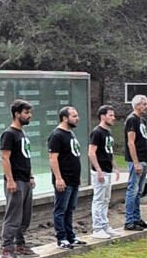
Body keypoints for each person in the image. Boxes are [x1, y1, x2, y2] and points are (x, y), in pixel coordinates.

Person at [0, 100, 38, 258]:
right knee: (13, 215)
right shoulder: (9, 134)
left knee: (25, 216)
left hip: (25, 180)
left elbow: (25, 157)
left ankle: (20, 244)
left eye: (29, 112)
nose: (29, 116)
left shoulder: (22, 133)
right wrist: (10, 180)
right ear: (17, 114)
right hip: (15, 181)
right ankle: (7, 248)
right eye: (26, 113)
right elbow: (5, 157)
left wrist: (30, 176)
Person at [48, 106, 84, 249]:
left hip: (74, 179)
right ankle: (61, 238)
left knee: (70, 209)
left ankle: (71, 236)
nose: (77, 118)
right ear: (64, 118)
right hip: (64, 179)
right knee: (60, 209)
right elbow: (53, 158)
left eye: (77, 115)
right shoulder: (57, 135)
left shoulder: (71, 134)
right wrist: (58, 178)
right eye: (74, 116)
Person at [87, 105, 120, 239]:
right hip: (100, 171)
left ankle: (105, 225)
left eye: (113, 115)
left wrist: (115, 167)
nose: (113, 118)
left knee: (106, 199)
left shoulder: (108, 132)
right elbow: (91, 152)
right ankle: (97, 228)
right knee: (98, 200)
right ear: (102, 116)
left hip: (107, 170)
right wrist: (98, 170)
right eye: (110, 115)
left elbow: (109, 152)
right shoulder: (97, 132)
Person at [123, 95, 147, 231]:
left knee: (139, 191)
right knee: (133, 190)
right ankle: (129, 220)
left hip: (143, 159)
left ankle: (137, 218)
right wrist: (136, 162)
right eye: (144, 104)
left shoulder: (142, 121)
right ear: (137, 105)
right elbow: (131, 142)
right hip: (136, 161)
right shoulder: (132, 120)